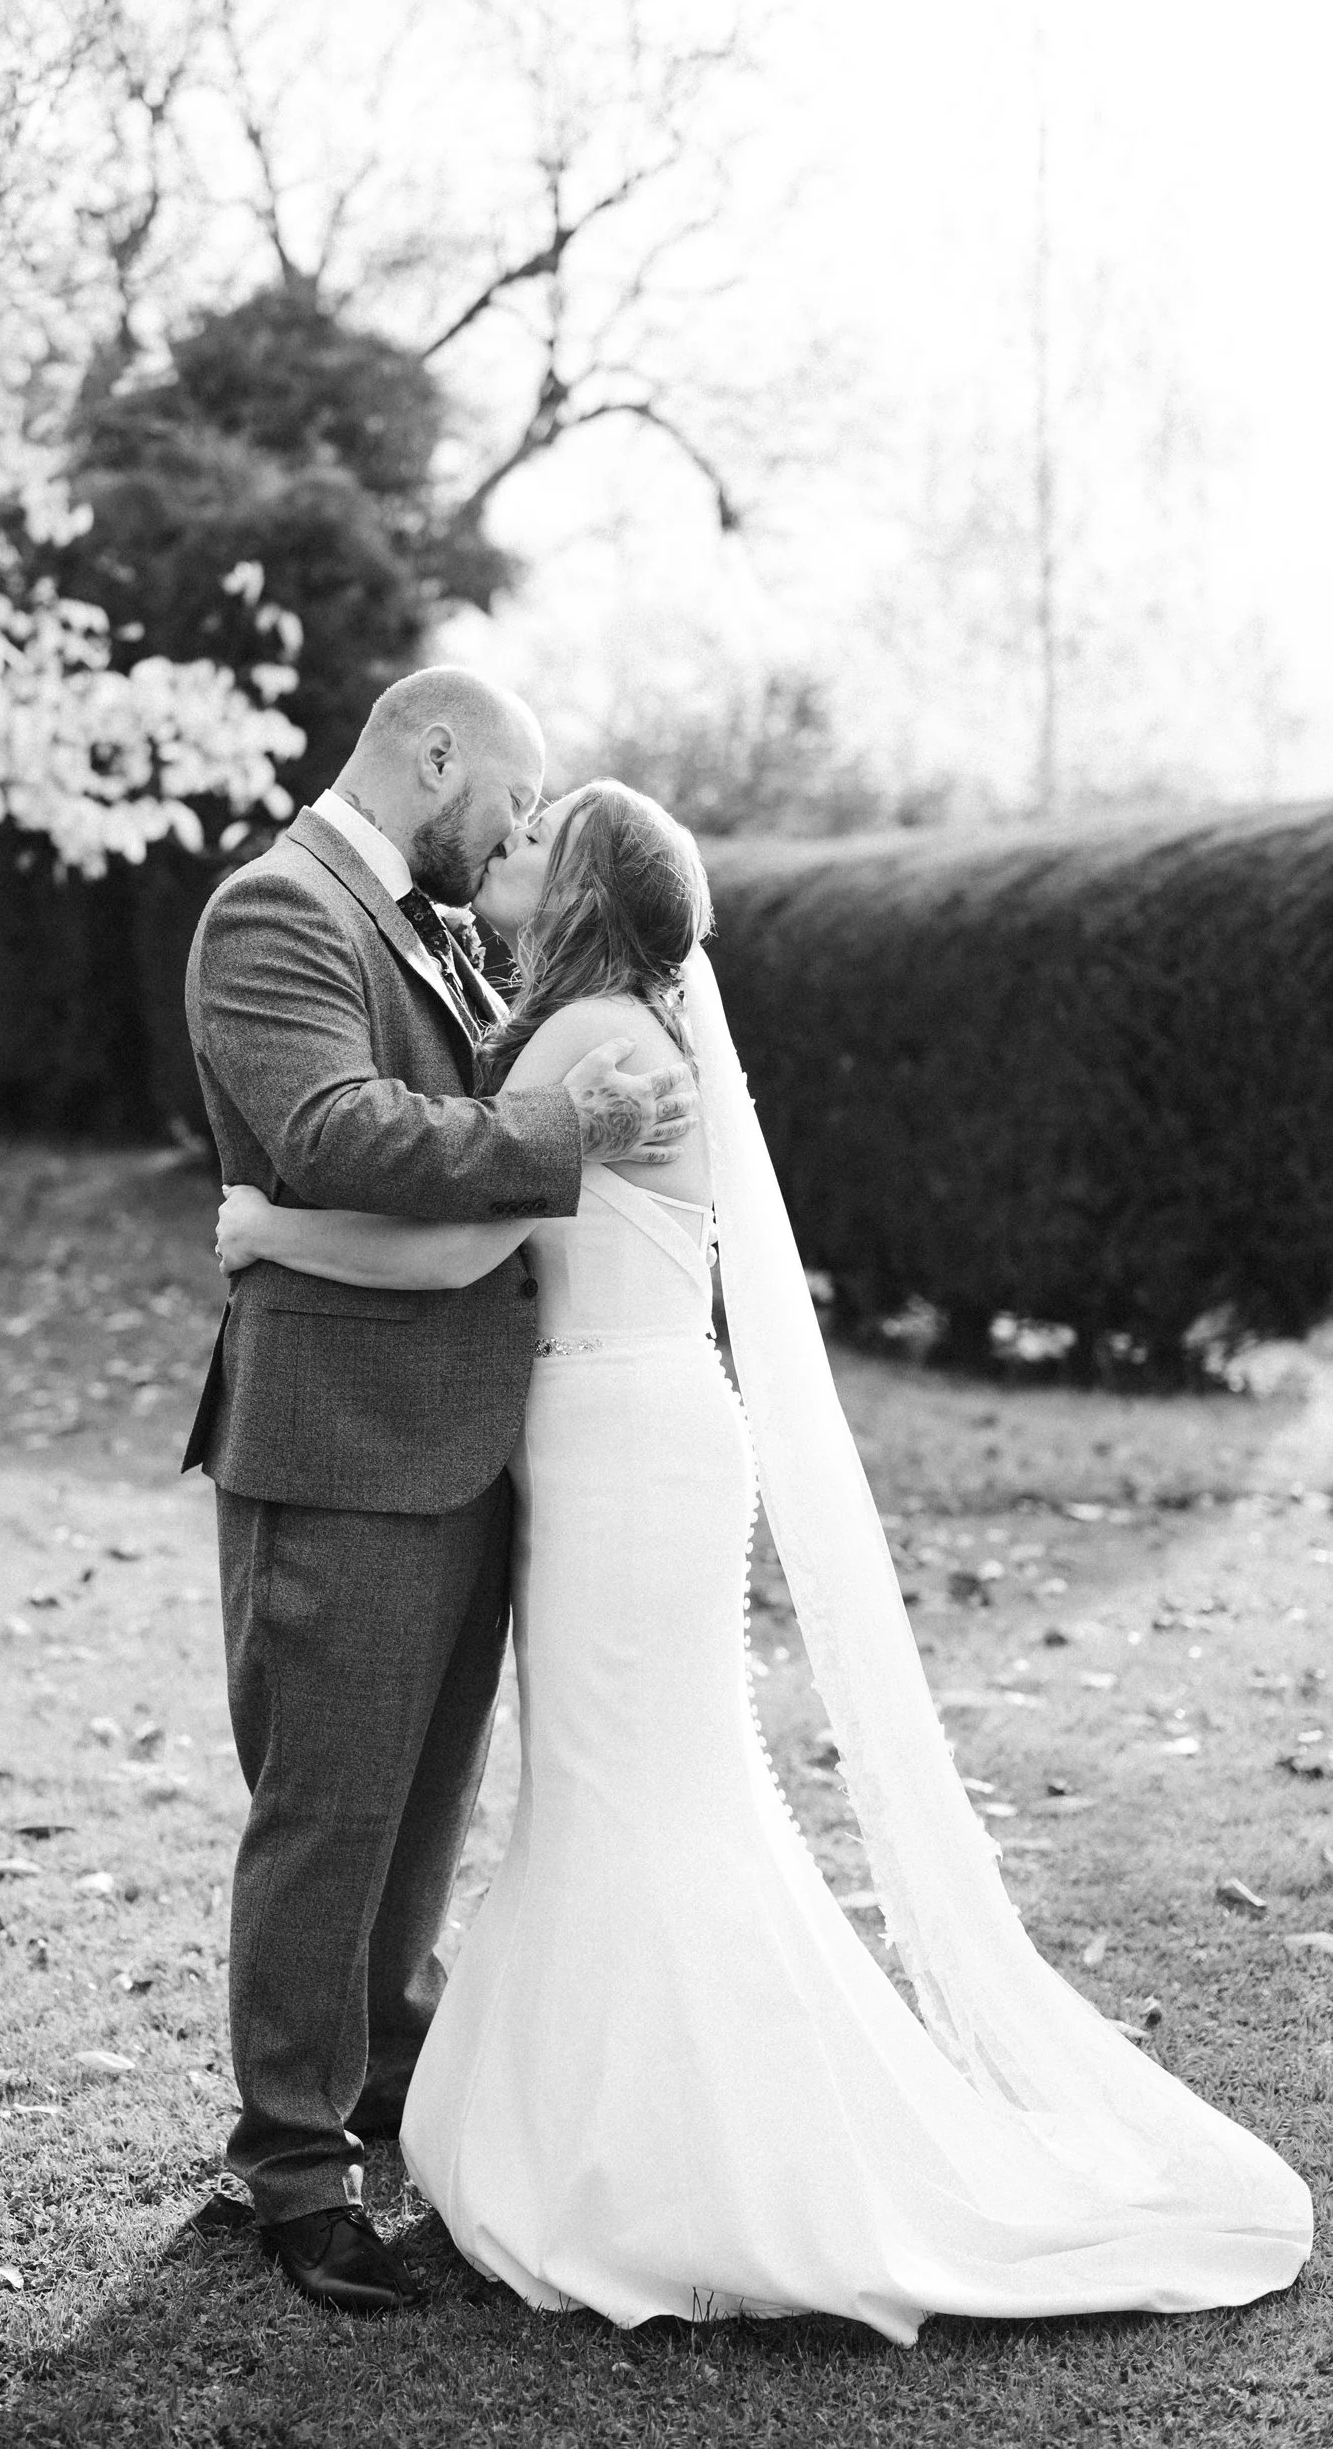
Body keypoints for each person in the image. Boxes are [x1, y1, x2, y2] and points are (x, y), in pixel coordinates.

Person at [211, 775, 1315, 2339]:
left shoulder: (591, 1042)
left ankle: (700, 2162)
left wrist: (265, 1232)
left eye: (539, 840)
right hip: (622, 1438)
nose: (509, 847)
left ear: (585, 890)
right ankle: (653, 2122)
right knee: (643, 1784)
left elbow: (464, 1241)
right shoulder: (609, 1025)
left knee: (630, 1791)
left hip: (619, 1449)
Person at [181, 670, 699, 2315]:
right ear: (433, 751)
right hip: (338, 1438)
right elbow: (334, 1132)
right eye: (512, 797)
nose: (516, 834)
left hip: (472, 1442)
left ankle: (386, 2067)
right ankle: (291, 2164)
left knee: (420, 1809)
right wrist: (559, 1123)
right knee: (329, 1808)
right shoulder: (276, 913)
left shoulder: (444, 926)